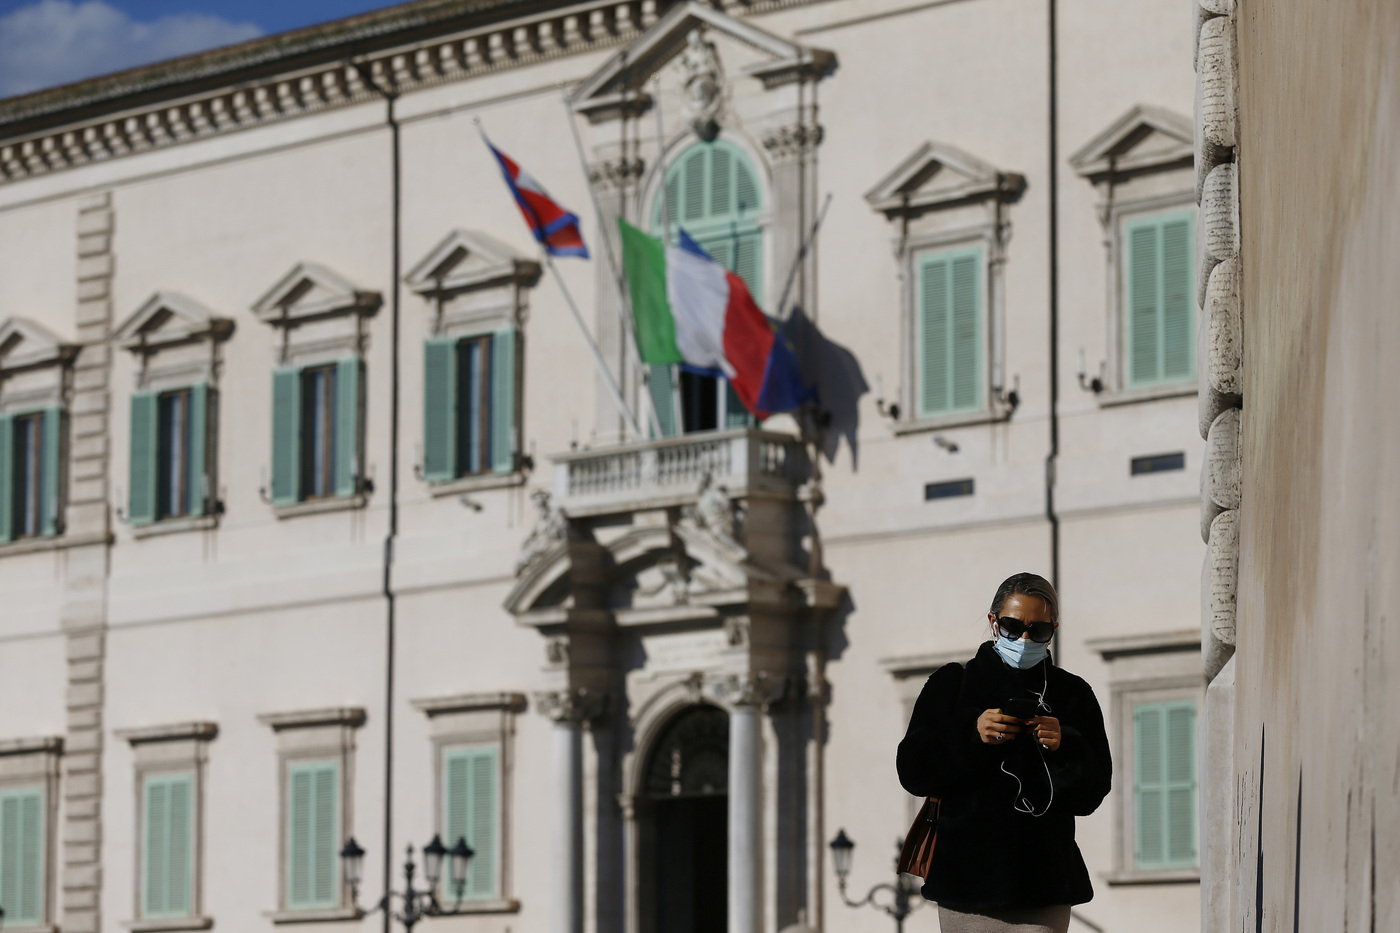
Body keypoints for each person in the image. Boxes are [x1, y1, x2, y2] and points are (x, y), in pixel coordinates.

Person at [896, 572, 1112, 933]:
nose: (1024, 638)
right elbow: (913, 771)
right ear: (994, 622)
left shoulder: (1073, 694)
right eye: (1013, 626)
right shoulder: (952, 684)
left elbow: (1093, 793)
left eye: (1039, 630)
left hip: (1045, 883)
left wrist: (1066, 743)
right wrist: (971, 732)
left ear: (1053, 630)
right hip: (966, 883)